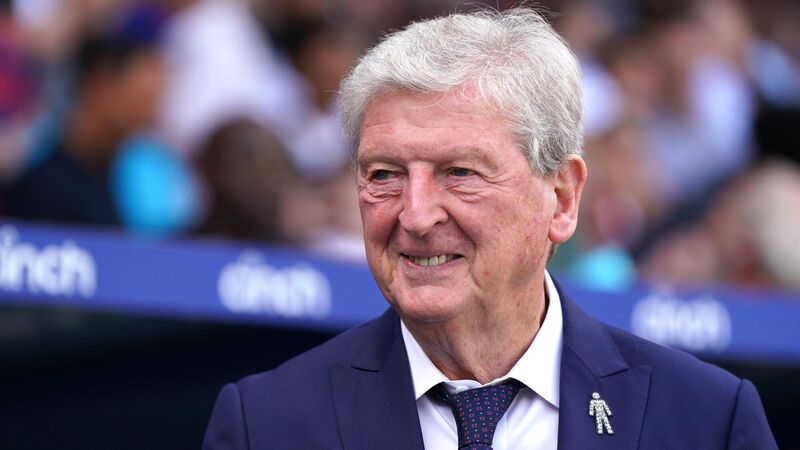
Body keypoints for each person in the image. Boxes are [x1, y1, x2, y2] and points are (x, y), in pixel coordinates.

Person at [203, 8, 777, 449]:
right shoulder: (266, 424)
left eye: (460, 173)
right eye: (384, 174)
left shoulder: (706, 419)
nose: (415, 215)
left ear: (562, 198)